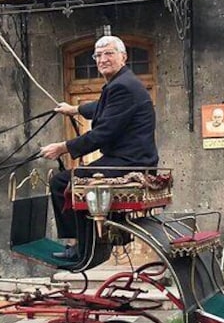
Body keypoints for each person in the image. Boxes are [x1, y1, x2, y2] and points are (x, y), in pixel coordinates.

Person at [40, 35, 158, 262]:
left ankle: (79, 247)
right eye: (98, 55)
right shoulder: (123, 83)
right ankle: (90, 243)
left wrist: (63, 148)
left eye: (109, 53)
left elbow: (103, 134)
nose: (103, 59)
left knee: (63, 182)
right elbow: (102, 107)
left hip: (129, 162)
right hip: (132, 158)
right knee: (72, 179)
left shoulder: (122, 87)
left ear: (123, 57)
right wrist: (74, 109)